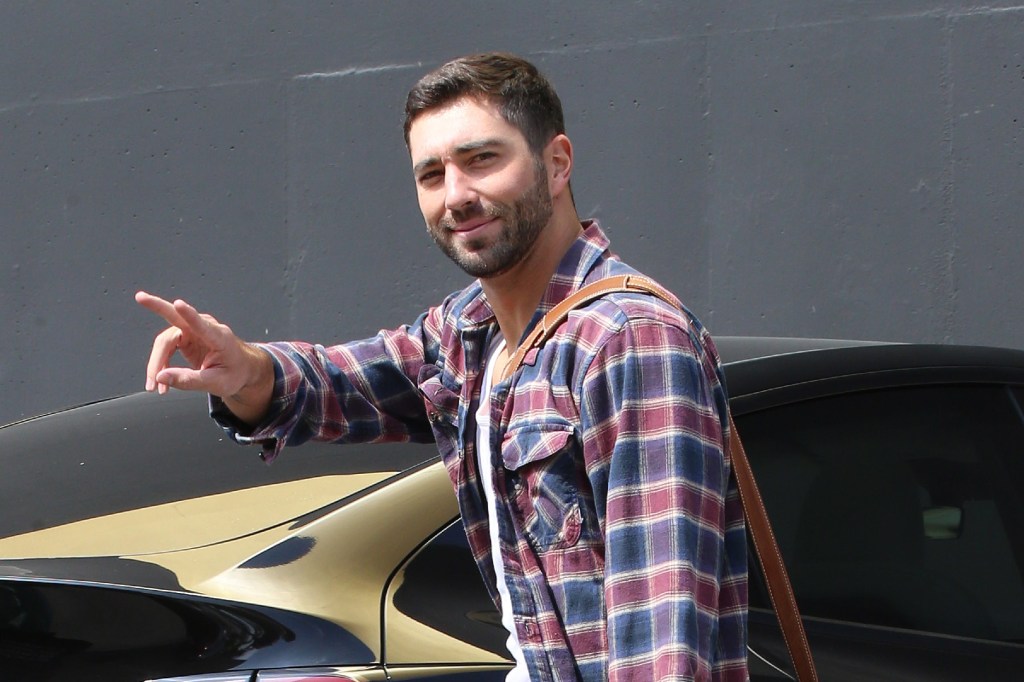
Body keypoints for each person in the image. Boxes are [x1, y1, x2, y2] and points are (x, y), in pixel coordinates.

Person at [137, 52, 748, 681]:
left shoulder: (630, 341)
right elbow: (344, 386)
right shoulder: (469, 336)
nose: (456, 195)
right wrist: (246, 371)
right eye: (431, 174)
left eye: (482, 159)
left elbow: (661, 642)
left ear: (557, 163)